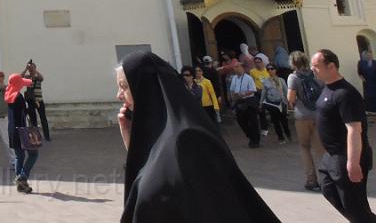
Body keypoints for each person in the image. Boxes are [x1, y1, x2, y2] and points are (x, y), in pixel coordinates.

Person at [115, 50, 280, 222]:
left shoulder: (188, 139)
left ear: (145, 87)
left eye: (124, 86)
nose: (118, 95)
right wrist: (132, 142)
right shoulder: (159, 135)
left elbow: (207, 205)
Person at [311, 49, 376, 222]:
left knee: (354, 205)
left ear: (331, 66)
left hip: (346, 155)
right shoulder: (327, 89)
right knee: (329, 190)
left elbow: (354, 129)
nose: (312, 69)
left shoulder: (346, 93)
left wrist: (353, 163)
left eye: (316, 66)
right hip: (331, 156)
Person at [287, 49, 325, 191]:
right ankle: (326, 179)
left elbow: (291, 98)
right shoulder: (315, 74)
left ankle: (311, 180)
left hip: (302, 116)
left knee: (305, 147)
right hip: (318, 114)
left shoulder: (293, 77)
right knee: (321, 149)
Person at [6, 64, 39, 194]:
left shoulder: (9, 94)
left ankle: (21, 186)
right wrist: (31, 104)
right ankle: (22, 177)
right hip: (21, 130)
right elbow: (25, 113)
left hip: (12, 130)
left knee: (19, 156)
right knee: (34, 154)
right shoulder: (18, 97)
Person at [228, 60, 261, 148]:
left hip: (249, 100)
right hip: (239, 101)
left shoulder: (248, 78)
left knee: (253, 121)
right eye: (234, 67)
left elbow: (252, 90)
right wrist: (232, 98)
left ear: (242, 68)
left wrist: (243, 94)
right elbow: (232, 90)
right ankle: (250, 136)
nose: (236, 69)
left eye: (238, 67)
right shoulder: (234, 78)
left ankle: (255, 140)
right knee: (241, 121)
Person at [260, 63, 290, 144]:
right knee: (275, 122)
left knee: (284, 121)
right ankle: (281, 137)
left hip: (281, 103)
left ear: (275, 70)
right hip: (272, 104)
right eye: (268, 69)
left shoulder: (281, 80)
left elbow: (286, 91)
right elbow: (264, 92)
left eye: (272, 69)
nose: (270, 70)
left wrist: (288, 101)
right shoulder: (266, 81)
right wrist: (261, 103)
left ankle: (288, 134)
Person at [24, 62, 51, 141]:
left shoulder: (37, 77)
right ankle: (36, 136)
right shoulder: (27, 77)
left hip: (39, 100)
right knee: (33, 120)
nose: (31, 69)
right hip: (31, 101)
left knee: (43, 118)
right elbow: (20, 77)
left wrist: (34, 70)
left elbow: (41, 78)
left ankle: (47, 136)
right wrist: (26, 69)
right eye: (30, 68)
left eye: (32, 68)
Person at [357, 49, 376, 114]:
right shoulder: (361, 63)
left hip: (374, 81)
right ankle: (369, 110)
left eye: (371, 54)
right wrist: (363, 79)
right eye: (368, 54)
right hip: (367, 82)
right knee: (368, 96)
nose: (370, 55)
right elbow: (359, 72)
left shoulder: (374, 62)